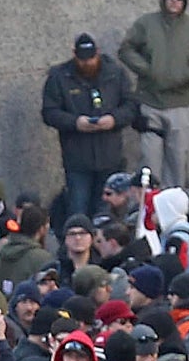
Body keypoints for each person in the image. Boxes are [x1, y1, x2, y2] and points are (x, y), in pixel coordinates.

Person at [118, 0, 189, 186]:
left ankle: (174, 207)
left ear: (184, 3)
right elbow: (126, 49)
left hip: (180, 104)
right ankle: (149, 206)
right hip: (149, 103)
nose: (174, 1)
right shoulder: (146, 23)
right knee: (149, 161)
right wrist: (147, 70)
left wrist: (186, 75)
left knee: (177, 160)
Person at [41, 35, 139, 236]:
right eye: (82, 59)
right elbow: (50, 112)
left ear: (98, 53)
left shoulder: (116, 73)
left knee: (107, 217)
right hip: (77, 159)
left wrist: (114, 119)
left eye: (91, 58)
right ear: (74, 56)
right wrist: (76, 123)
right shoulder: (60, 77)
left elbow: (131, 106)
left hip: (110, 157)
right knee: (78, 212)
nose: (87, 63)